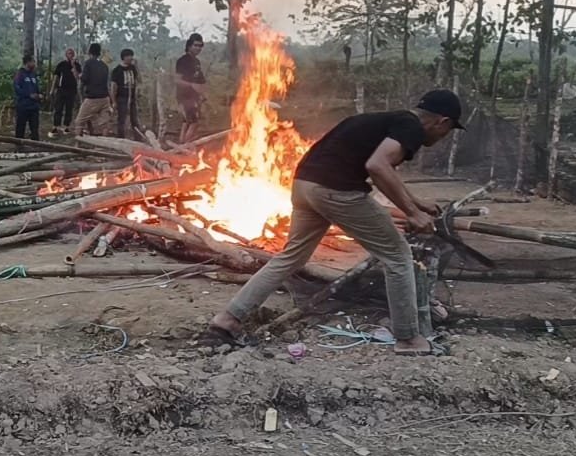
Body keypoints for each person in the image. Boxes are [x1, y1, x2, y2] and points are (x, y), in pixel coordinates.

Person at [198, 89, 467, 357]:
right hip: (335, 190)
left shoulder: (385, 120)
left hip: (304, 185)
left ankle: (227, 319)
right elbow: (378, 166)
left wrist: (417, 203)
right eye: (447, 131)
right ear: (442, 122)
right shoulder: (411, 127)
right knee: (397, 255)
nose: (443, 137)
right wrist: (412, 213)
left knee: (291, 257)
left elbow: (383, 171)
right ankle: (408, 339)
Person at [72, 43, 111, 136]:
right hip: (105, 98)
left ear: (89, 52)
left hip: (93, 98)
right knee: (104, 124)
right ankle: (103, 145)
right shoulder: (104, 65)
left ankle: (77, 145)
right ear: (99, 53)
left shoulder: (88, 63)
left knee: (79, 122)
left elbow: (85, 79)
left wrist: (77, 74)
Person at [175, 33, 207, 144]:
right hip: (185, 97)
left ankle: (181, 144)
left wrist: (202, 94)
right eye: (196, 45)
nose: (198, 48)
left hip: (195, 97)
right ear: (189, 46)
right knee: (194, 122)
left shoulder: (197, 62)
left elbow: (201, 81)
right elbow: (177, 80)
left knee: (186, 121)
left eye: (200, 46)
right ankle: (185, 146)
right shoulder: (183, 61)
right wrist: (191, 85)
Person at [110, 48, 143, 140]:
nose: (131, 58)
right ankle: (121, 138)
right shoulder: (117, 70)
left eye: (131, 56)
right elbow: (113, 87)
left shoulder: (132, 68)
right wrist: (114, 101)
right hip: (121, 98)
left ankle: (138, 138)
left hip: (132, 98)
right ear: (124, 57)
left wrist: (136, 67)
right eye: (129, 56)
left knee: (134, 119)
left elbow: (139, 80)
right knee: (122, 119)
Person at [48, 47, 82, 138]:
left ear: (74, 55)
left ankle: (66, 126)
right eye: (68, 53)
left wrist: (73, 65)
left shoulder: (77, 65)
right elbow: (56, 77)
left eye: (72, 53)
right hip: (61, 89)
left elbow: (78, 77)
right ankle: (55, 126)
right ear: (66, 55)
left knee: (69, 109)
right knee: (58, 108)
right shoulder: (61, 65)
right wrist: (52, 89)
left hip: (71, 90)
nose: (70, 55)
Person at [13, 54, 44, 141]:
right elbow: (17, 88)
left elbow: (37, 88)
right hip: (23, 106)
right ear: (28, 62)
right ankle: (18, 146)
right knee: (20, 127)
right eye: (33, 61)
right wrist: (29, 95)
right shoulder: (20, 74)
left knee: (34, 128)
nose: (34, 63)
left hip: (34, 107)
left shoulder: (33, 75)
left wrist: (39, 95)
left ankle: (35, 146)